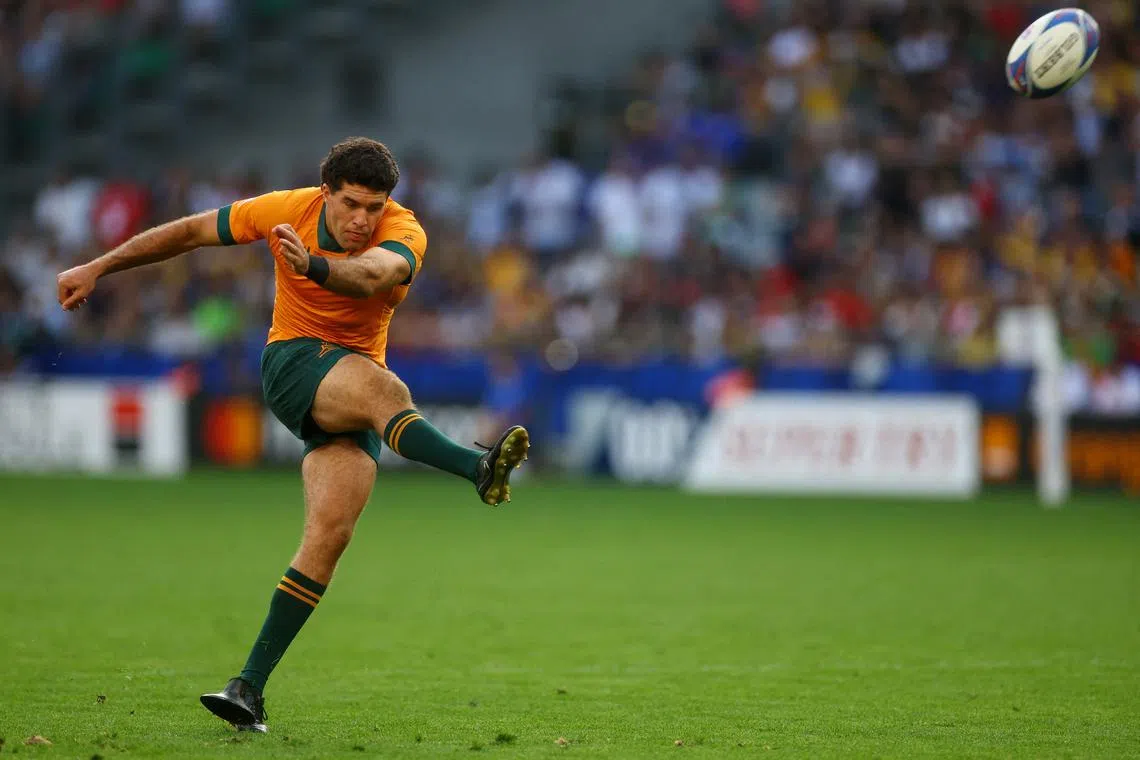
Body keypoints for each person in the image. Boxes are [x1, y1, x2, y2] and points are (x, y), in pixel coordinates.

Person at [55, 137, 530, 732]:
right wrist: (98, 266)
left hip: (349, 391)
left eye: (374, 207)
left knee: (329, 538)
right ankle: (477, 469)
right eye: (351, 204)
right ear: (325, 191)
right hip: (295, 365)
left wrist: (314, 264)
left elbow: (371, 275)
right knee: (389, 393)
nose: (363, 219)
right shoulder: (287, 209)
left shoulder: (406, 231)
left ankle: (246, 688)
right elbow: (192, 232)